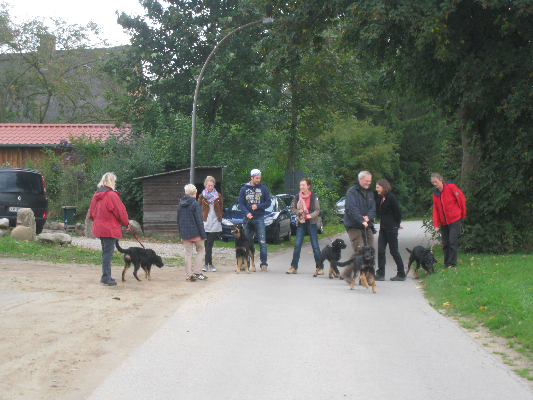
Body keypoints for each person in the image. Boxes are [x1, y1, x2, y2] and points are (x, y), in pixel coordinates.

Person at [88, 172, 130, 286]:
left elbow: (91, 214)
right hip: (109, 228)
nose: (115, 183)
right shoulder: (112, 195)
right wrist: (126, 223)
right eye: (114, 181)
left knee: (105, 252)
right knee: (108, 253)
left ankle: (106, 275)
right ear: (110, 181)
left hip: (99, 227)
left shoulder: (96, 195)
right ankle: (106, 276)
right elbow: (121, 211)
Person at [342, 171, 376, 283]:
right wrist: (361, 220)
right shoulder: (352, 192)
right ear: (360, 179)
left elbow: (373, 208)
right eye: (367, 181)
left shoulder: (370, 193)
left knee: (371, 251)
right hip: (354, 226)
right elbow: (351, 208)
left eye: (370, 181)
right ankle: (347, 273)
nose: (368, 183)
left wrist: (368, 217)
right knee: (360, 251)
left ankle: (366, 277)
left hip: (367, 225)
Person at [431, 172, 467, 268]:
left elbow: (461, 199)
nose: (435, 184)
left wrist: (462, 214)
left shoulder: (451, 187)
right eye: (433, 182)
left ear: (441, 180)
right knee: (445, 243)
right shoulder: (435, 194)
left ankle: (452, 264)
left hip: (454, 219)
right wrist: (436, 225)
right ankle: (446, 263)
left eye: (436, 181)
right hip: (444, 222)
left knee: (452, 242)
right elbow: (436, 210)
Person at [238, 169, 271, 272]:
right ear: (251, 177)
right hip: (248, 218)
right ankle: (245, 263)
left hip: (259, 218)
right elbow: (241, 204)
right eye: (257, 178)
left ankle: (264, 264)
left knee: (262, 241)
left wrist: (258, 206)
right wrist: (246, 213)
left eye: (260, 178)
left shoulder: (263, 188)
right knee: (246, 241)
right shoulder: (244, 189)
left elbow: (268, 202)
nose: (258, 180)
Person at [286, 178, 321, 275]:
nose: (301, 187)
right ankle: (294, 267)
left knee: (315, 246)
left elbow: (318, 210)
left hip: (311, 223)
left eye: (303, 185)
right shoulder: (297, 197)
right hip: (301, 222)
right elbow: (292, 208)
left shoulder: (313, 197)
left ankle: (319, 267)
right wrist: (298, 211)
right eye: (300, 185)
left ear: (308, 186)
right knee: (297, 245)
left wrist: (311, 215)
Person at [375, 179, 406, 281]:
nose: (376, 189)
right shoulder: (380, 198)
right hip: (383, 228)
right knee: (380, 250)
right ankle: (380, 273)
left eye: (378, 187)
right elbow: (377, 210)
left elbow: (398, 212)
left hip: (391, 228)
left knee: (394, 251)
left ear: (384, 187)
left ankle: (401, 274)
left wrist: (397, 224)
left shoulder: (391, 197)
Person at [177, 184, 208, 281]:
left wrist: (181, 232)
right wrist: (203, 235)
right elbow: (199, 220)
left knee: (188, 254)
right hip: (196, 233)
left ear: (185, 192)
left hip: (185, 233)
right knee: (200, 250)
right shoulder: (195, 204)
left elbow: (178, 219)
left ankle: (188, 275)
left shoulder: (180, 204)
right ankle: (197, 272)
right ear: (194, 192)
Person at [198, 176, 223, 272]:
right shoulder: (202, 196)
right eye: (208, 185)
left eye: (212, 186)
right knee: (206, 244)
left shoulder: (218, 196)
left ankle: (209, 264)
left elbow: (221, 207)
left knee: (210, 244)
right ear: (205, 185)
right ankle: (206, 264)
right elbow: (198, 209)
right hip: (205, 221)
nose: (210, 187)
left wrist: (219, 217)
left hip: (215, 221)